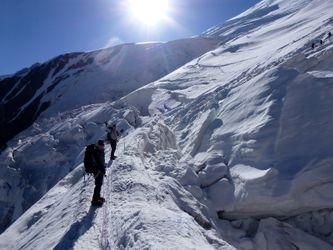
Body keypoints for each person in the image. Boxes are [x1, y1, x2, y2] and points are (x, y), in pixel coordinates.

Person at [87, 140, 106, 206]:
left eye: (103, 145)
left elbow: (101, 161)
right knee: (98, 184)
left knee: (99, 184)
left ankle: (97, 197)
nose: (102, 146)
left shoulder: (100, 151)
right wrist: (100, 169)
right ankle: (94, 200)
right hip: (97, 170)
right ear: (98, 145)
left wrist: (103, 169)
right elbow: (96, 163)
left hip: (99, 170)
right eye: (101, 145)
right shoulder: (95, 152)